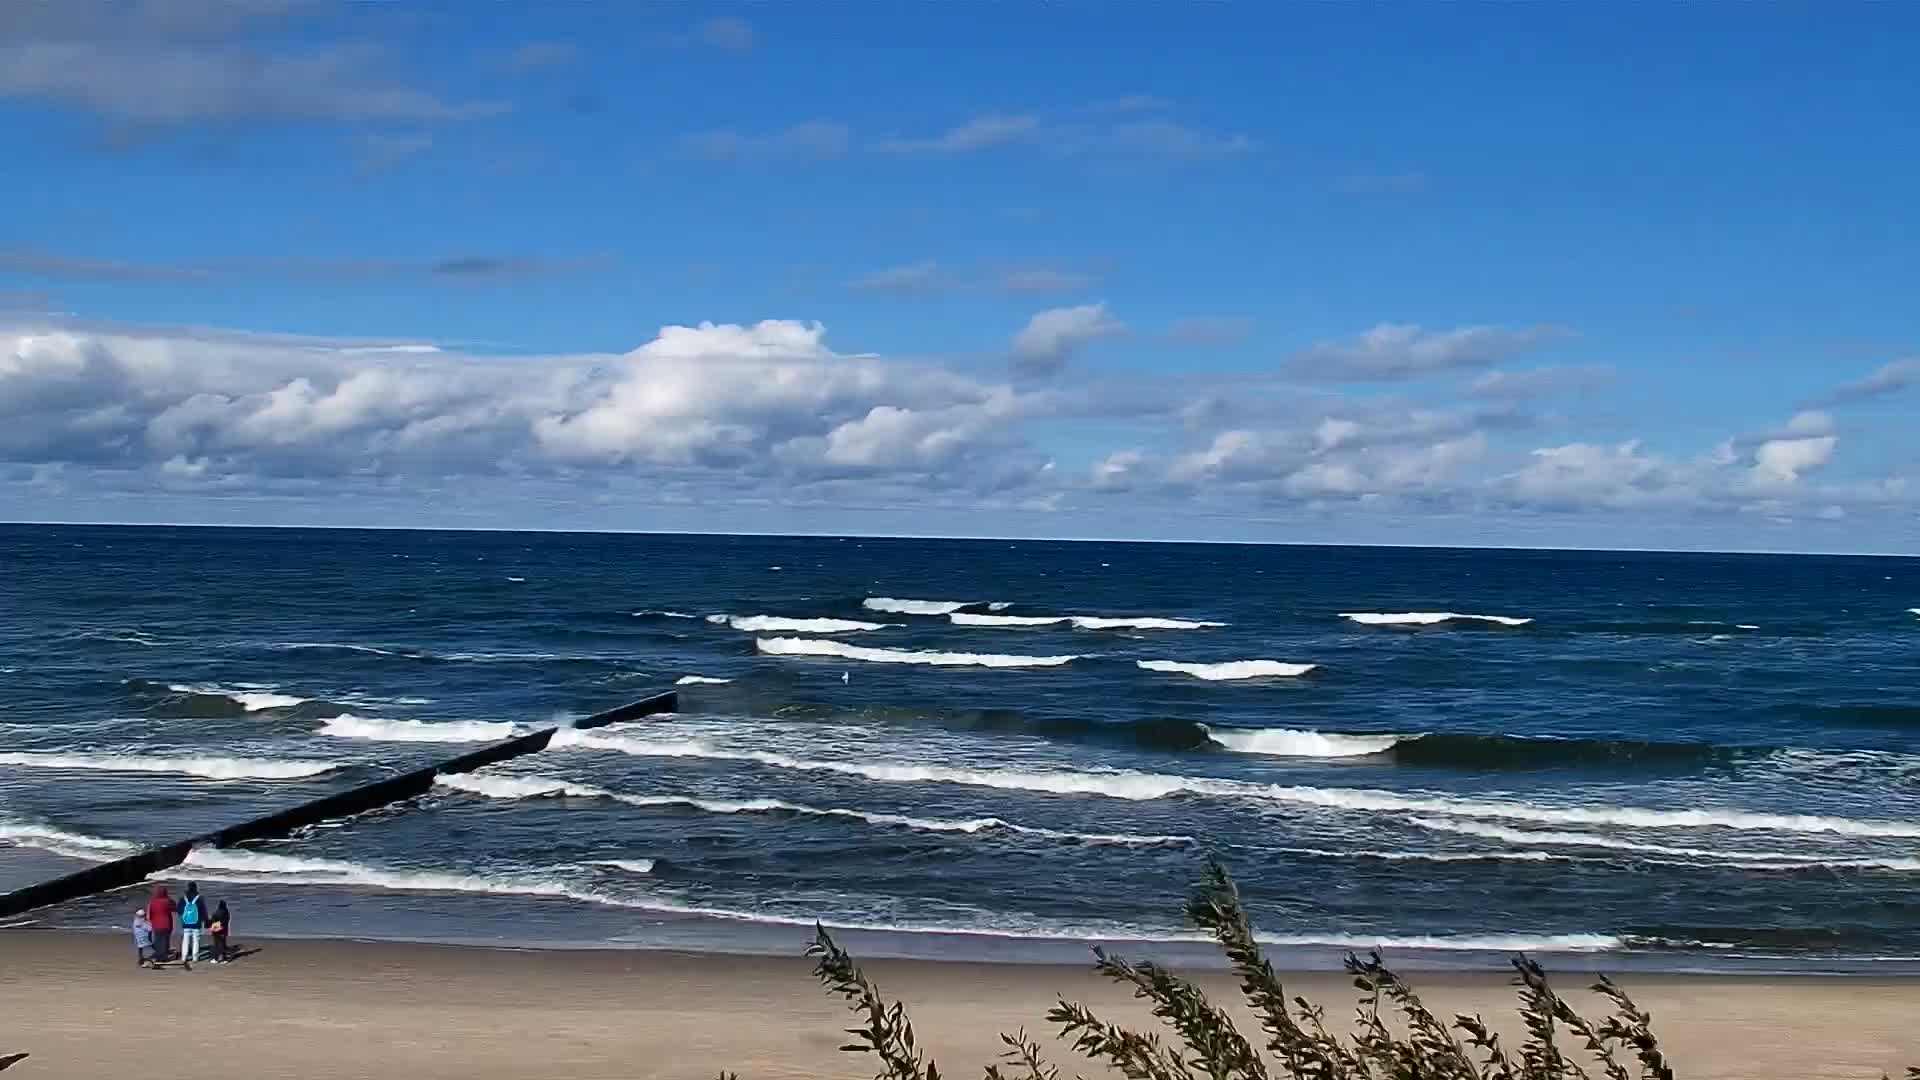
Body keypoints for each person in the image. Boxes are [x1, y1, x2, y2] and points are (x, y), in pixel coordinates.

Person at [175, 882, 208, 968]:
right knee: (196, 940)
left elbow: (178, 910)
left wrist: (184, 916)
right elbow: (203, 912)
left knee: (185, 940)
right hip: (197, 923)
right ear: (196, 888)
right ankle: (195, 957)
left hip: (186, 923)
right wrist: (206, 921)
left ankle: (184, 957)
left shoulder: (183, 899)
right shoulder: (200, 899)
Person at [144, 885, 174, 965]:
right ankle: (163, 956)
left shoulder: (152, 902)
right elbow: (175, 908)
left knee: (158, 940)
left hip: (156, 924)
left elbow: (149, 914)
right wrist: (169, 898)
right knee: (165, 940)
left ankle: (159, 955)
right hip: (167, 923)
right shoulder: (167, 901)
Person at [209, 900, 231, 965]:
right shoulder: (226, 913)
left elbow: (212, 921)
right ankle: (223, 959)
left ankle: (215, 959)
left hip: (215, 931)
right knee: (222, 945)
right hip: (223, 931)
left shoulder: (216, 912)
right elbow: (225, 923)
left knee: (216, 945)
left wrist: (212, 929)